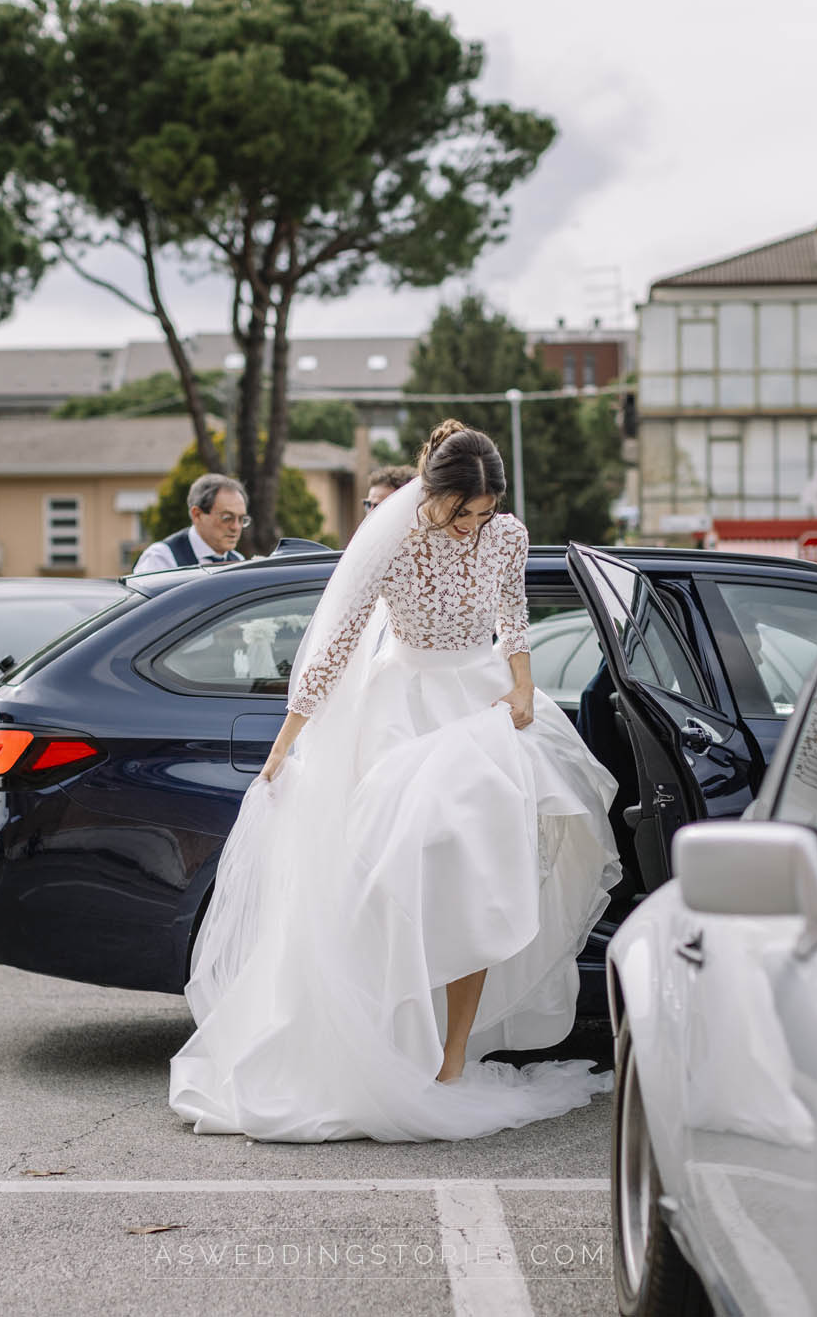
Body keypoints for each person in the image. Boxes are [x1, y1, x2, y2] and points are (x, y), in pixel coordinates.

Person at [169, 420, 622, 1142]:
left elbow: (514, 613)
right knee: (386, 888)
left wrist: (524, 684)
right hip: (402, 712)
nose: (475, 525)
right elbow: (341, 636)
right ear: (434, 494)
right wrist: (290, 738)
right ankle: (381, 1040)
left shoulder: (508, 536)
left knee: (479, 886)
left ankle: (452, 1059)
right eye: (462, 511)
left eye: (485, 511)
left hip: (481, 711)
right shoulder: (397, 536)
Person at [132, 475, 249, 574]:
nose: (236, 527)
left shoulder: (238, 561)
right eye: (227, 518)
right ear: (197, 514)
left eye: (242, 519)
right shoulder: (161, 559)